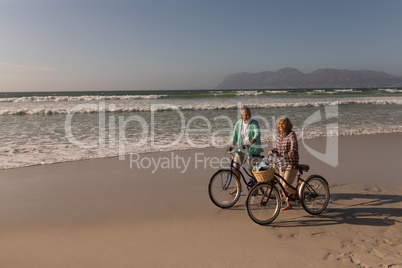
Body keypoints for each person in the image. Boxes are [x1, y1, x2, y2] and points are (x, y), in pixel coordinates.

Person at [228, 106, 263, 193]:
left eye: (249, 114)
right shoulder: (238, 123)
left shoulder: (254, 123)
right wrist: (232, 144)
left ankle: (255, 187)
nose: (248, 116)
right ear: (241, 115)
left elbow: (257, 134)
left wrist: (251, 142)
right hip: (241, 150)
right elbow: (235, 136)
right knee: (235, 168)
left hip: (252, 150)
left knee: (252, 170)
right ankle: (238, 188)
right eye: (246, 115)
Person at [269, 116, 299, 211]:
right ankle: (288, 204)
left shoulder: (291, 134)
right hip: (281, 164)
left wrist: (292, 151)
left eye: (283, 123)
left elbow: (294, 145)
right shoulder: (279, 135)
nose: (281, 125)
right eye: (279, 123)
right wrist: (272, 151)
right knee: (282, 186)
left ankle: (299, 194)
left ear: (288, 125)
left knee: (286, 185)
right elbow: (277, 149)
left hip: (291, 163)